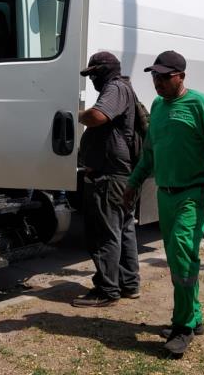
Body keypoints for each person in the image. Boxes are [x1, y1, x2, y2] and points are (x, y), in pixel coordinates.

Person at [124, 50, 204, 358]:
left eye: (164, 77)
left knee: (182, 256)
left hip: (195, 192)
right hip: (166, 192)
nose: (158, 82)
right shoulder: (157, 106)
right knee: (180, 257)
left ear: (181, 76)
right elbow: (151, 152)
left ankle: (181, 326)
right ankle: (193, 316)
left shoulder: (201, 105)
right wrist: (133, 183)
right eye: (154, 76)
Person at [71, 51, 141, 308]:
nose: (91, 80)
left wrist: (76, 114)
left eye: (93, 75)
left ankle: (106, 290)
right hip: (118, 175)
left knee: (105, 233)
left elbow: (98, 116)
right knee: (123, 230)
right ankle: (128, 284)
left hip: (110, 176)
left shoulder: (115, 87)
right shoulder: (121, 87)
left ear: (105, 71)